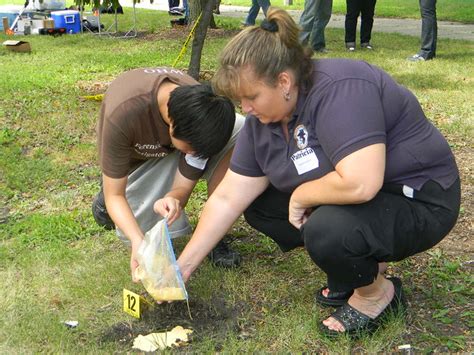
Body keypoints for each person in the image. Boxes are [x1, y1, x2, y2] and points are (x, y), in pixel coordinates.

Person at [175, 8, 460, 336]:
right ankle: (360, 267)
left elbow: (361, 183)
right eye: (240, 100)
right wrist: (183, 267)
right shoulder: (260, 122)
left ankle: (376, 294)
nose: (245, 109)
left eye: (251, 97)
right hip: (369, 200)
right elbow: (227, 197)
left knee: (326, 230)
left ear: (284, 81)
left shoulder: (340, 89)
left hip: (420, 197)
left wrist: (300, 196)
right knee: (260, 206)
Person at [92, 67, 246, 280]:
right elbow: (115, 196)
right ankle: (103, 205)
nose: (196, 155)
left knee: (241, 126)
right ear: (171, 126)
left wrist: (174, 198)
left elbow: (186, 176)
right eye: (193, 150)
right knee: (144, 232)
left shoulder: (201, 110)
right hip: (138, 162)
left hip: (170, 148)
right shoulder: (123, 114)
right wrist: (138, 241)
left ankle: (212, 231)